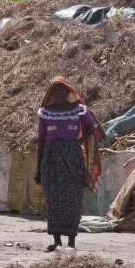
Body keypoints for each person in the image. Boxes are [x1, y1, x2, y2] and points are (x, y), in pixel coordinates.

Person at [35, 77, 101, 252]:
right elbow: (41, 140)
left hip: (72, 158)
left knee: (73, 198)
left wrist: (79, 141)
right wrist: (38, 167)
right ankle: (57, 241)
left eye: (61, 91)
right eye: (55, 91)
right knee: (53, 200)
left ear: (67, 93)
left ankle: (71, 242)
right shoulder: (45, 113)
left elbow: (91, 126)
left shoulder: (78, 110)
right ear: (50, 94)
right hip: (51, 160)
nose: (58, 94)